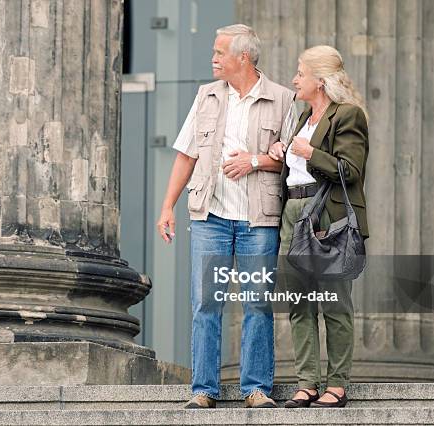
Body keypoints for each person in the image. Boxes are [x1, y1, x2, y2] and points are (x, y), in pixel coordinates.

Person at [157, 24, 295, 409]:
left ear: (243, 58)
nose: (213, 59)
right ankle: (203, 390)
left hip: (259, 220)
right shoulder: (206, 96)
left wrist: (254, 162)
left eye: (220, 52)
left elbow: (291, 160)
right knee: (205, 303)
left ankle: (256, 389)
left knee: (257, 302)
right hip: (210, 216)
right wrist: (167, 205)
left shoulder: (283, 100)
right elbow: (187, 154)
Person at [268, 45, 369, 408]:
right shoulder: (303, 117)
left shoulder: (348, 115)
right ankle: (307, 382)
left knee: (334, 302)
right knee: (299, 302)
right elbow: (296, 165)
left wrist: (311, 154)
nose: (294, 79)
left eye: (300, 73)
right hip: (293, 211)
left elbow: (351, 170)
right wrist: (283, 150)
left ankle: (337, 384)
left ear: (320, 81)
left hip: (329, 215)